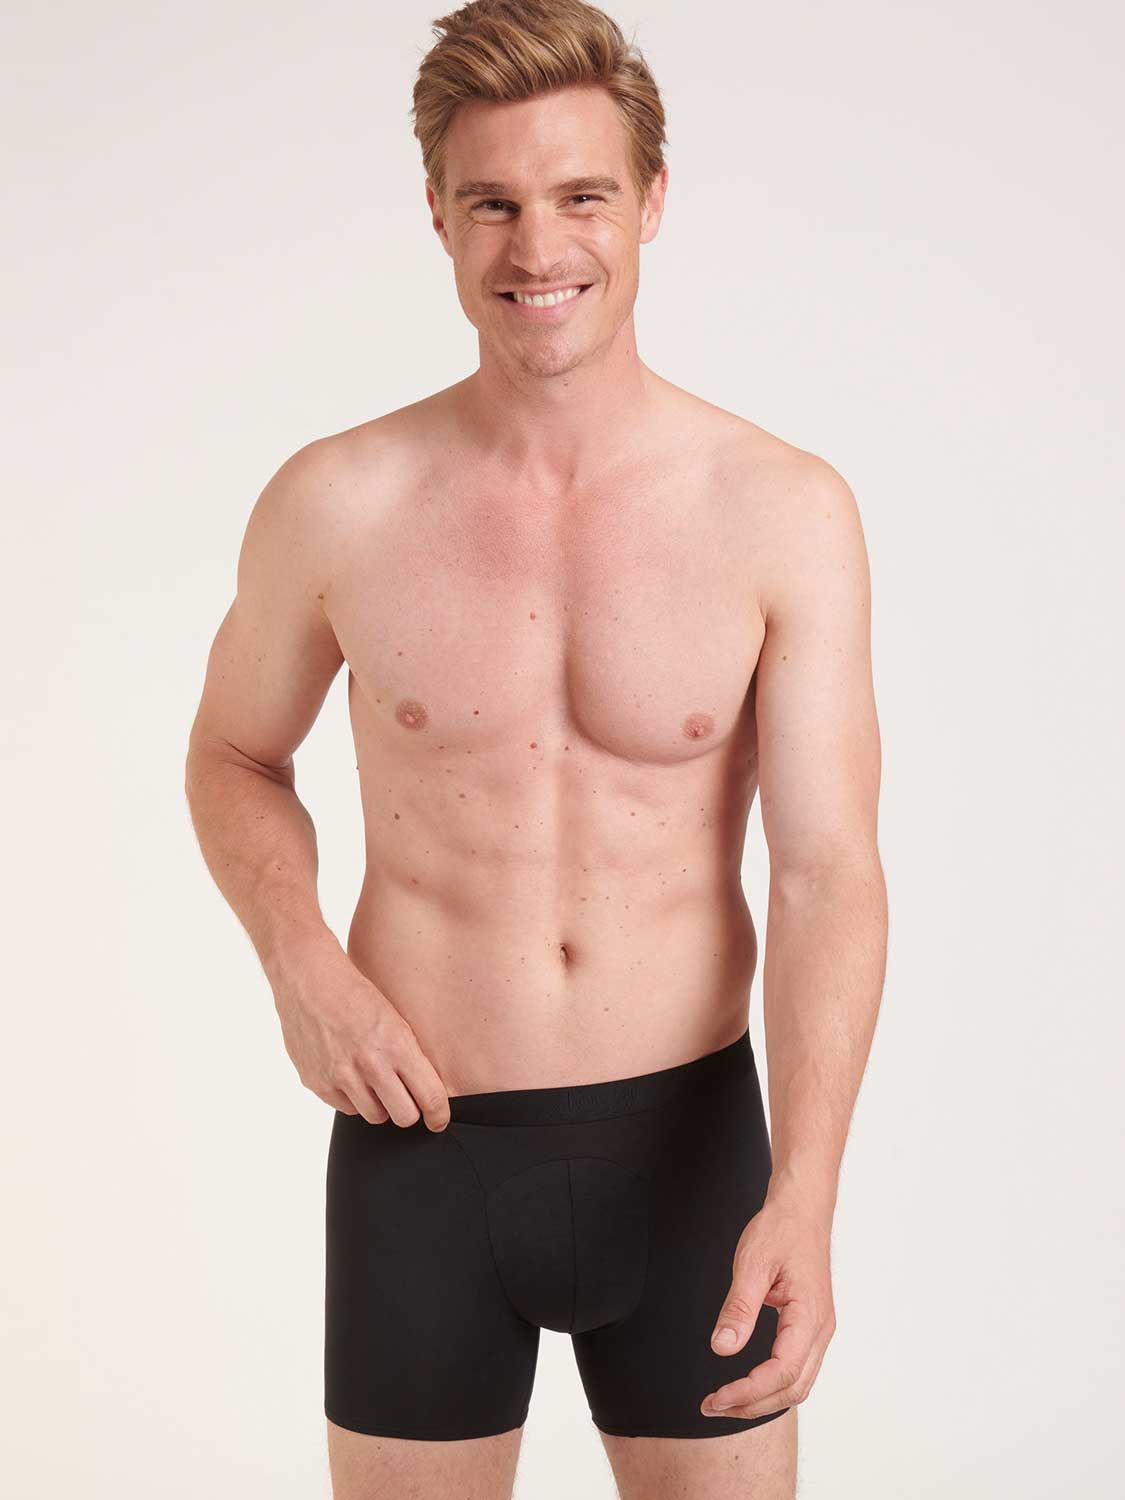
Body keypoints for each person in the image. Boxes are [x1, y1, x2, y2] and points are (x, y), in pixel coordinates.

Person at [184, 2, 887, 1496]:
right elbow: (233, 753)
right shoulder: (338, 501)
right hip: (420, 1144)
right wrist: (301, 966)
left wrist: (809, 1189)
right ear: (438, 215)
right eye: (492, 202)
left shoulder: (781, 510)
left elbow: (827, 870)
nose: (537, 247)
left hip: (691, 1144)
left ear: (651, 201)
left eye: (580, 196)